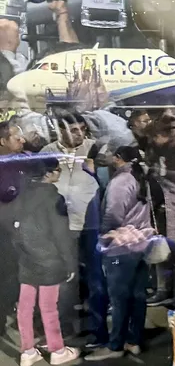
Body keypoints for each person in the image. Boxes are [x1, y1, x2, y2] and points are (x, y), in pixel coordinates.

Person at [0, 155, 81, 366]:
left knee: (25, 306)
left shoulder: (19, 195)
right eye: (57, 170)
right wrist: (70, 263)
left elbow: (7, 221)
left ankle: (27, 351)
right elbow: (61, 235)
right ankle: (57, 350)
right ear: (48, 174)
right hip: (49, 260)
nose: (59, 173)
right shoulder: (54, 198)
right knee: (48, 307)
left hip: (26, 257)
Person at [86, 146, 152, 361]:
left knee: (119, 299)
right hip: (141, 244)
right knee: (138, 296)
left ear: (118, 158)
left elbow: (113, 215)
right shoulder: (141, 177)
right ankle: (134, 341)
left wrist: (103, 237)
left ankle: (115, 345)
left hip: (121, 248)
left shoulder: (121, 182)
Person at [40, 112, 99, 338]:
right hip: (63, 224)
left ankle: (96, 325)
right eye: (74, 130)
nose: (80, 134)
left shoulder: (92, 148)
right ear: (60, 130)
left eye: (83, 129)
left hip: (90, 223)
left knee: (94, 274)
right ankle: (65, 326)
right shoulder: (47, 152)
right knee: (67, 275)